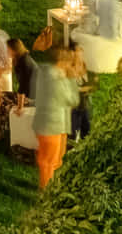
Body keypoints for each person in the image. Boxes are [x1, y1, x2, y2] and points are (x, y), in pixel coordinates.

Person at [32, 47, 83, 189]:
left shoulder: (46, 73)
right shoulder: (55, 81)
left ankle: (51, 185)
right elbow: (73, 100)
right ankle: (46, 192)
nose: (71, 66)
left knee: (54, 160)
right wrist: (72, 79)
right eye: (70, 63)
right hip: (52, 125)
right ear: (62, 62)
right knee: (48, 162)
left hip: (54, 124)